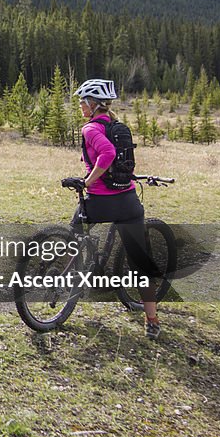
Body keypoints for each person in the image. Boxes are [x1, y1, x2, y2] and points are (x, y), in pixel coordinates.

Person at [71, 78, 162, 339]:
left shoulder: (90, 129)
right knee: (140, 261)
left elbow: (108, 154)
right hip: (129, 202)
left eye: (82, 100)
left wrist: (87, 181)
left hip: (101, 202)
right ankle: (152, 320)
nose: (80, 105)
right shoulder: (118, 126)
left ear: (92, 104)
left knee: (73, 233)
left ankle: (72, 276)